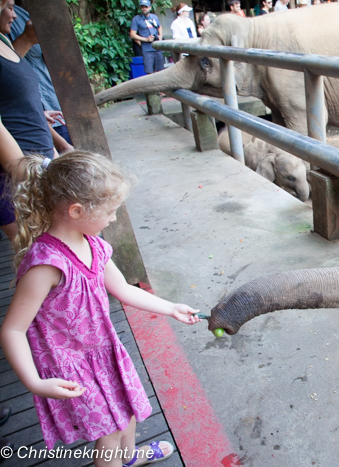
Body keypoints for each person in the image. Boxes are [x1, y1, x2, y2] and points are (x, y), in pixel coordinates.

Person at [0, 151, 202, 466]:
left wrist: (170, 307)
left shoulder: (94, 244)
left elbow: (121, 289)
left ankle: (129, 456)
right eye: (110, 212)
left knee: (130, 412)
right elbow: (13, 329)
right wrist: (34, 382)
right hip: (73, 365)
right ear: (76, 210)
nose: (113, 219)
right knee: (109, 433)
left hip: (105, 352)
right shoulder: (46, 264)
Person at [9, 4, 73, 148]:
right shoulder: (10, 15)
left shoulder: (28, 13)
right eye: (7, 7)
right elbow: (6, 70)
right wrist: (26, 40)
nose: (12, 14)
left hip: (54, 109)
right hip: (28, 121)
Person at [130, 0, 164, 75]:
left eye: (146, 7)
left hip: (157, 47)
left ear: (150, 7)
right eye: (142, 7)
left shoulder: (154, 17)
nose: (144, 8)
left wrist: (160, 36)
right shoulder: (136, 19)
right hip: (147, 50)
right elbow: (132, 34)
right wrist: (146, 39)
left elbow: (159, 26)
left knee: (160, 71)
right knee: (150, 72)